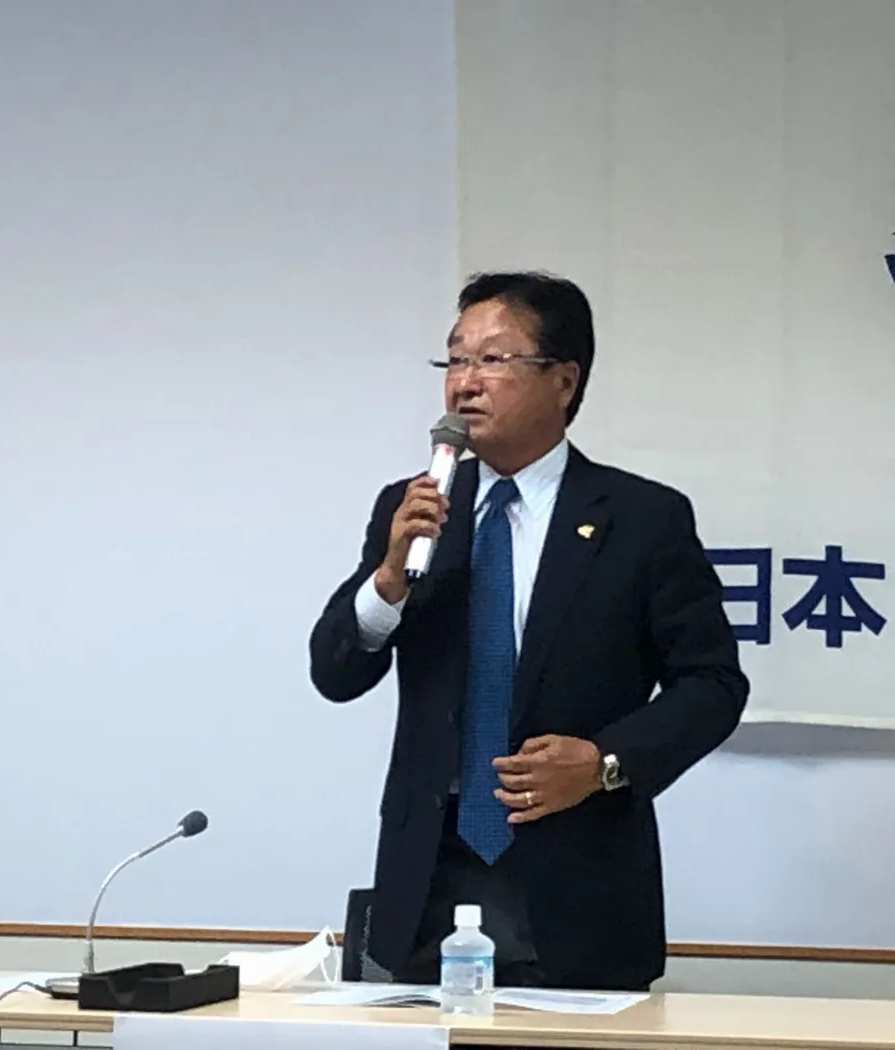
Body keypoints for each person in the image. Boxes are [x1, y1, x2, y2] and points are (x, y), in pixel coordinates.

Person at [308, 271, 749, 992]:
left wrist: (604, 763)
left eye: (492, 359)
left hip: (578, 882)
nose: (464, 384)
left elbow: (713, 685)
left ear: (564, 380)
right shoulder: (413, 509)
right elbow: (336, 673)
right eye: (455, 359)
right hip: (427, 881)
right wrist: (387, 579)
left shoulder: (641, 519)